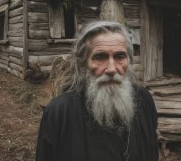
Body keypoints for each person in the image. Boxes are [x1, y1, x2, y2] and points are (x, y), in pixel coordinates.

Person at [35, 21, 159, 161]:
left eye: (119, 56)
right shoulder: (59, 112)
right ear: (84, 63)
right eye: (100, 57)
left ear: (128, 61)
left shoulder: (144, 100)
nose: (111, 69)